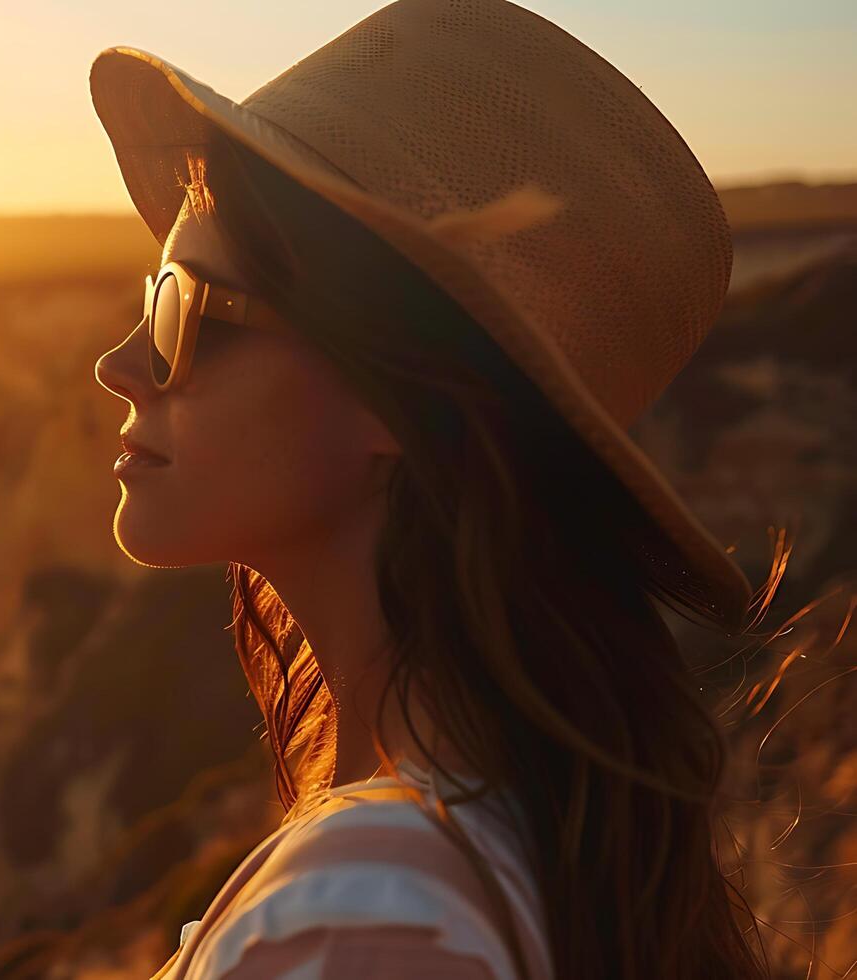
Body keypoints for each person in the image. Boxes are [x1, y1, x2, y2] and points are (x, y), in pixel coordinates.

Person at [88, 1, 785, 977]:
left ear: (395, 394)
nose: (119, 363)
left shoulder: (367, 910)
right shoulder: (479, 846)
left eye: (182, 311)